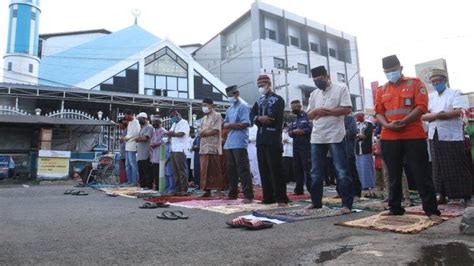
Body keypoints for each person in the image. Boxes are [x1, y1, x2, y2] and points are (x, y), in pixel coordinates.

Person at [375, 54, 441, 222]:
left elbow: (421, 107)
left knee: (421, 172)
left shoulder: (415, 83)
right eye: (387, 72)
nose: (390, 74)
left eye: (393, 70)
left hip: (412, 134)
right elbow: (379, 112)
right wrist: (387, 125)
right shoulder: (382, 89)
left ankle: (431, 211)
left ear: (401, 68)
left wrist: (404, 121)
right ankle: (395, 207)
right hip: (389, 136)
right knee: (393, 174)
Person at [305, 65, 354, 214]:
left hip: (335, 135)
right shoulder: (314, 94)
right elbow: (309, 115)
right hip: (317, 136)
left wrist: (327, 112)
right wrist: (316, 111)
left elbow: (347, 109)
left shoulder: (341, 88)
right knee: (315, 171)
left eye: (320, 79)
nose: (318, 82)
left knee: (341, 170)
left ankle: (346, 205)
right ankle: (316, 202)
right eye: (315, 80)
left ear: (327, 76)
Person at [422, 68, 473, 207]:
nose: (436, 83)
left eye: (438, 81)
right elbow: (423, 115)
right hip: (435, 135)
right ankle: (442, 195)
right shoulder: (430, 96)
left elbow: (458, 111)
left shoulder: (456, 92)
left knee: (457, 165)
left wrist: (437, 116)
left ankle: (466, 196)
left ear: (444, 80)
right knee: (438, 166)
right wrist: (438, 115)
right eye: (433, 81)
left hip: (452, 136)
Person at [252, 75, 289, 206]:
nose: (260, 88)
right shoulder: (259, 100)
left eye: (262, 85)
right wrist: (259, 118)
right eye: (259, 86)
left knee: (276, 169)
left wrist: (260, 119)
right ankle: (268, 197)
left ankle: (281, 198)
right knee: (264, 169)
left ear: (268, 84)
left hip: (273, 138)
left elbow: (273, 118)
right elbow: (252, 115)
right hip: (261, 139)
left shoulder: (278, 100)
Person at [224, 85, 254, 203]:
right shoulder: (229, 109)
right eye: (228, 96)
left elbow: (246, 123)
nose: (229, 98)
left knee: (243, 169)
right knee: (231, 170)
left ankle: (248, 195)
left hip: (239, 141)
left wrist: (230, 125)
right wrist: (229, 125)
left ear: (236, 93)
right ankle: (233, 193)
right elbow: (224, 124)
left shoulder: (243, 107)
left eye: (230, 95)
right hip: (229, 142)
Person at [199, 98, 225, 197]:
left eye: (205, 105)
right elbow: (199, 132)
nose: (204, 107)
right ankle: (206, 190)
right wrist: (204, 132)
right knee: (204, 169)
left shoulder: (217, 116)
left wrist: (204, 132)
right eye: (203, 105)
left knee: (214, 168)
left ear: (211, 105)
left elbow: (215, 130)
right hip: (203, 147)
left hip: (213, 147)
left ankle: (217, 190)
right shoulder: (204, 118)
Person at [288, 100, 312, 194]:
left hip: (306, 146)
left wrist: (302, 131)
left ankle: (311, 189)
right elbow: (289, 131)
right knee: (297, 168)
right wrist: (293, 132)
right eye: (292, 108)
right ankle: (298, 190)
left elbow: (311, 128)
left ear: (299, 107)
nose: (293, 110)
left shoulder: (307, 116)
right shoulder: (294, 119)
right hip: (296, 146)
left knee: (307, 168)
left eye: (294, 108)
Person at [168, 110, 190, 196]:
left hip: (180, 149)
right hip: (173, 149)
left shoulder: (184, 123)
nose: (172, 118)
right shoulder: (174, 124)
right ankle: (177, 189)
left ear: (177, 114)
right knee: (175, 171)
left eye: (172, 116)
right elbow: (170, 133)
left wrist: (172, 134)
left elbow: (181, 134)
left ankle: (184, 189)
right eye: (170, 117)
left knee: (182, 170)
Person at [355, 112, 375, 192]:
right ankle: (361, 184)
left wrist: (358, 135)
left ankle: (369, 184)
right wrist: (359, 135)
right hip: (358, 149)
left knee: (367, 167)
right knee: (359, 167)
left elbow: (366, 135)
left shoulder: (369, 124)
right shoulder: (356, 124)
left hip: (366, 149)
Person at [344, 114, 362, 199]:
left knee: (352, 171)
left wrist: (340, 132)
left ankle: (357, 193)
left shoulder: (350, 118)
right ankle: (341, 192)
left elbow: (352, 132)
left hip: (348, 149)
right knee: (340, 173)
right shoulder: (335, 119)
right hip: (338, 149)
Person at [121, 109, 140, 186]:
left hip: (132, 146)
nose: (125, 117)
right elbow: (129, 134)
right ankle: (129, 181)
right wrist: (124, 138)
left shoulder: (136, 123)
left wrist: (126, 138)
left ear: (131, 115)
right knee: (127, 165)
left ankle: (134, 181)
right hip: (127, 146)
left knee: (133, 164)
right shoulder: (130, 123)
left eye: (126, 115)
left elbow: (136, 134)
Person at [136, 112, 154, 189]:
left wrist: (138, 139)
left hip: (146, 152)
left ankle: (148, 185)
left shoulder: (149, 127)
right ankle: (142, 185)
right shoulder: (142, 127)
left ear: (144, 118)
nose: (139, 121)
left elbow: (145, 138)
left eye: (140, 119)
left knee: (147, 170)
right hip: (140, 153)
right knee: (141, 170)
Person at [150, 118, 167, 191]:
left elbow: (164, 141)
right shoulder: (154, 131)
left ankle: (160, 186)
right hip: (154, 154)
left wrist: (155, 144)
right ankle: (156, 186)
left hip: (161, 153)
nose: (153, 124)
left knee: (160, 171)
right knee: (155, 171)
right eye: (153, 123)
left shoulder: (163, 131)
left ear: (159, 123)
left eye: (154, 123)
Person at [118, 118, 128, 184]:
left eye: (120, 124)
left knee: (127, 168)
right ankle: (125, 181)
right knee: (124, 168)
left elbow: (126, 140)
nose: (119, 126)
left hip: (126, 152)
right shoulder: (123, 131)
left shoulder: (127, 131)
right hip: (122, 153)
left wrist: (122, 139)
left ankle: (128, 181)